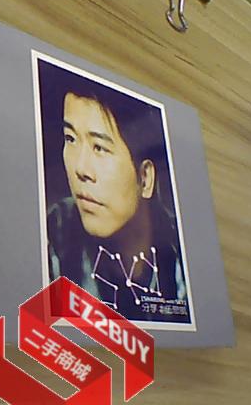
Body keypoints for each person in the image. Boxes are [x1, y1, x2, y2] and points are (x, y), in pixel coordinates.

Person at [46, 80, 189, 322]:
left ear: (145, 178)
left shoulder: (184, 258)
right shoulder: (54, 233)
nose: (80, 169)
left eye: (100, 148)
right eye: (70, 138)